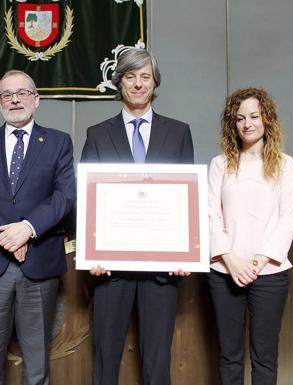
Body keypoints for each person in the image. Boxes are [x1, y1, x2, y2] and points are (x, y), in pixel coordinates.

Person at [80, 47, 194, 385]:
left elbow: (186, 197)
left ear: (155, 82)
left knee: (157, 363)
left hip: (162, 268)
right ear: (120, 83)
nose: (138, 83)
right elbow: (86, 199)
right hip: (110, 268)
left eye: (145, 76)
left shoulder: (178, 132)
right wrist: (91, 254)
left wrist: (185, 251)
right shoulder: (97, 134)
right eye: (130, 76)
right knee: (105, 358)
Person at [0, 70, 76, 385]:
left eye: (22, 93)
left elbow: (65, 196)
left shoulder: (59, 142)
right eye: (6, 95)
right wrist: (7, 237)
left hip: (39, 263)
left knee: (37, 367)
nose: (14, 100)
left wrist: (27, 228)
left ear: (36, 99)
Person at [207, 87, 293, 385]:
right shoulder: (220, 164)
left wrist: (258, 261)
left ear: (267, 119)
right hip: (224, 272)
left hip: (270, 273)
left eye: (254, 116)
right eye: (239, 118)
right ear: (231, 124)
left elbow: (288, 218)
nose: (247, 124)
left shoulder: (285, 164)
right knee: (229, 355)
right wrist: (231, 260)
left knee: (264, 356)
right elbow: (211, 215)